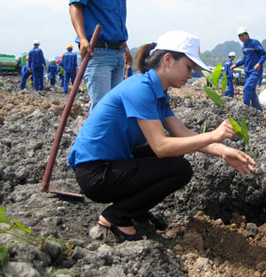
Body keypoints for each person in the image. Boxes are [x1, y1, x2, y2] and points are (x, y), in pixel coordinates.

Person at [68, 31, 255, 241]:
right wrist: (213, 135)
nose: (191, 74)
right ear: (167, 60)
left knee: (175, 158)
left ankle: (132, 209)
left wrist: (223, 150)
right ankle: (117, 216)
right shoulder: (140, 89)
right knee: (179, 169)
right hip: (96, 174)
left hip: (112, 164)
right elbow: (161, 146)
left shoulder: (157, 92)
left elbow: (182, 133)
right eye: (188, 67)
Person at [231, 27, 266, 111]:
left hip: (255, 71)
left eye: (243, 35)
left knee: (247, 88)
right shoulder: (243, 46)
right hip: (247, 71)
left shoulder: (254, 43)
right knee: (252, 90)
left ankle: (245, 108)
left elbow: (263, 54)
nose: (241, 38)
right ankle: (258, 110)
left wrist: (259, 63)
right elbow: (245, 59)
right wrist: (236, 64)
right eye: (239, 36)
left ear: (247, 35)